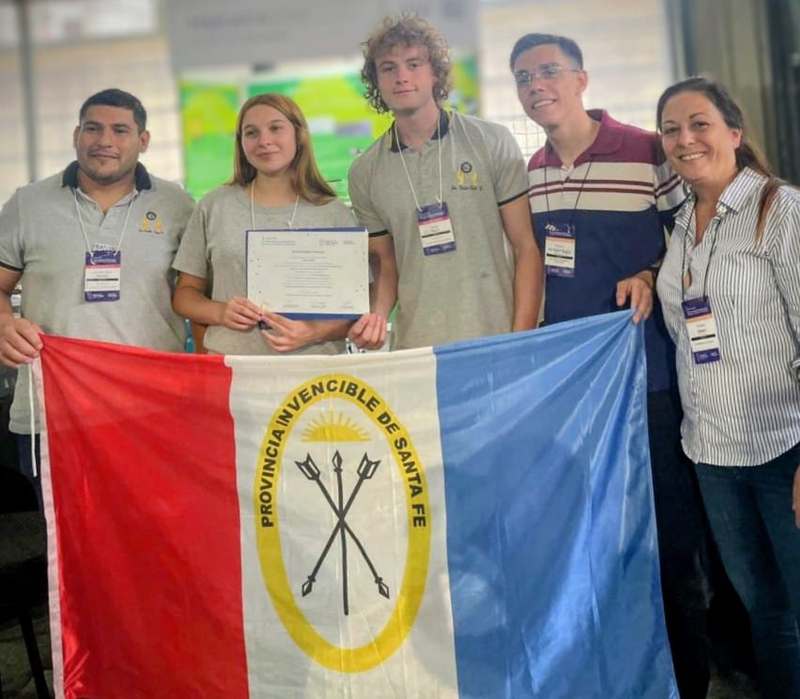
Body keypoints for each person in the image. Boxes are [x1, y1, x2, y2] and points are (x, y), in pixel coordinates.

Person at [510, 34, 712, 699]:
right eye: (523, 78)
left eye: (548, 71)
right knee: (598, 545)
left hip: (649, 379)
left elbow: (695, 239)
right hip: (574, 392)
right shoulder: (532, 170)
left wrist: (650, 273)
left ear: (581, 79)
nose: (536, 85)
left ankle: (689, 681)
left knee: (672, 543)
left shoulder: (647, 150)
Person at [655, 76, 800, 699]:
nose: (684, 139)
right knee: (765, 611)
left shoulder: (781, 210)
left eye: (699, 124)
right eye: (670, 130)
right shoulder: (681, 223)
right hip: (712, 452)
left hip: (784, 448)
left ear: (734, 133)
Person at [0, 88, 195, 485]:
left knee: (151, 520)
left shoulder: (178, 206)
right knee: (64, 526)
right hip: (54, 413)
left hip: (152, 408)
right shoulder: (27, 204)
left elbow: (198, 294)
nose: (105, 140)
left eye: (120, 130)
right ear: (76, 135)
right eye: (93, 128)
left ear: (143, 141)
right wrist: (4, 324)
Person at [347, 14, 543, 351]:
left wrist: (519, 340)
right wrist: (376, 317)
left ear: (435, 72)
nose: (402, 77)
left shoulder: (491, 141)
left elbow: (526, 248)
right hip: (417, 350)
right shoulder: (364, 171)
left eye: (414, 64)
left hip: (496, 340)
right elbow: (386, 266)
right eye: (389, 68)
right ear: (376, 80)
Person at [172, 93, 365, 355]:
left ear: (298, 135)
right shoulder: (214, 206)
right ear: (241, 143)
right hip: (235, 367)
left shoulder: (333, 213)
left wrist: (313, 331)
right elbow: (184, 295)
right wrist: (220, 312)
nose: (264, 141)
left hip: (313, 370)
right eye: (251, 133)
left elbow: (356, 311)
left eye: (275, 128)